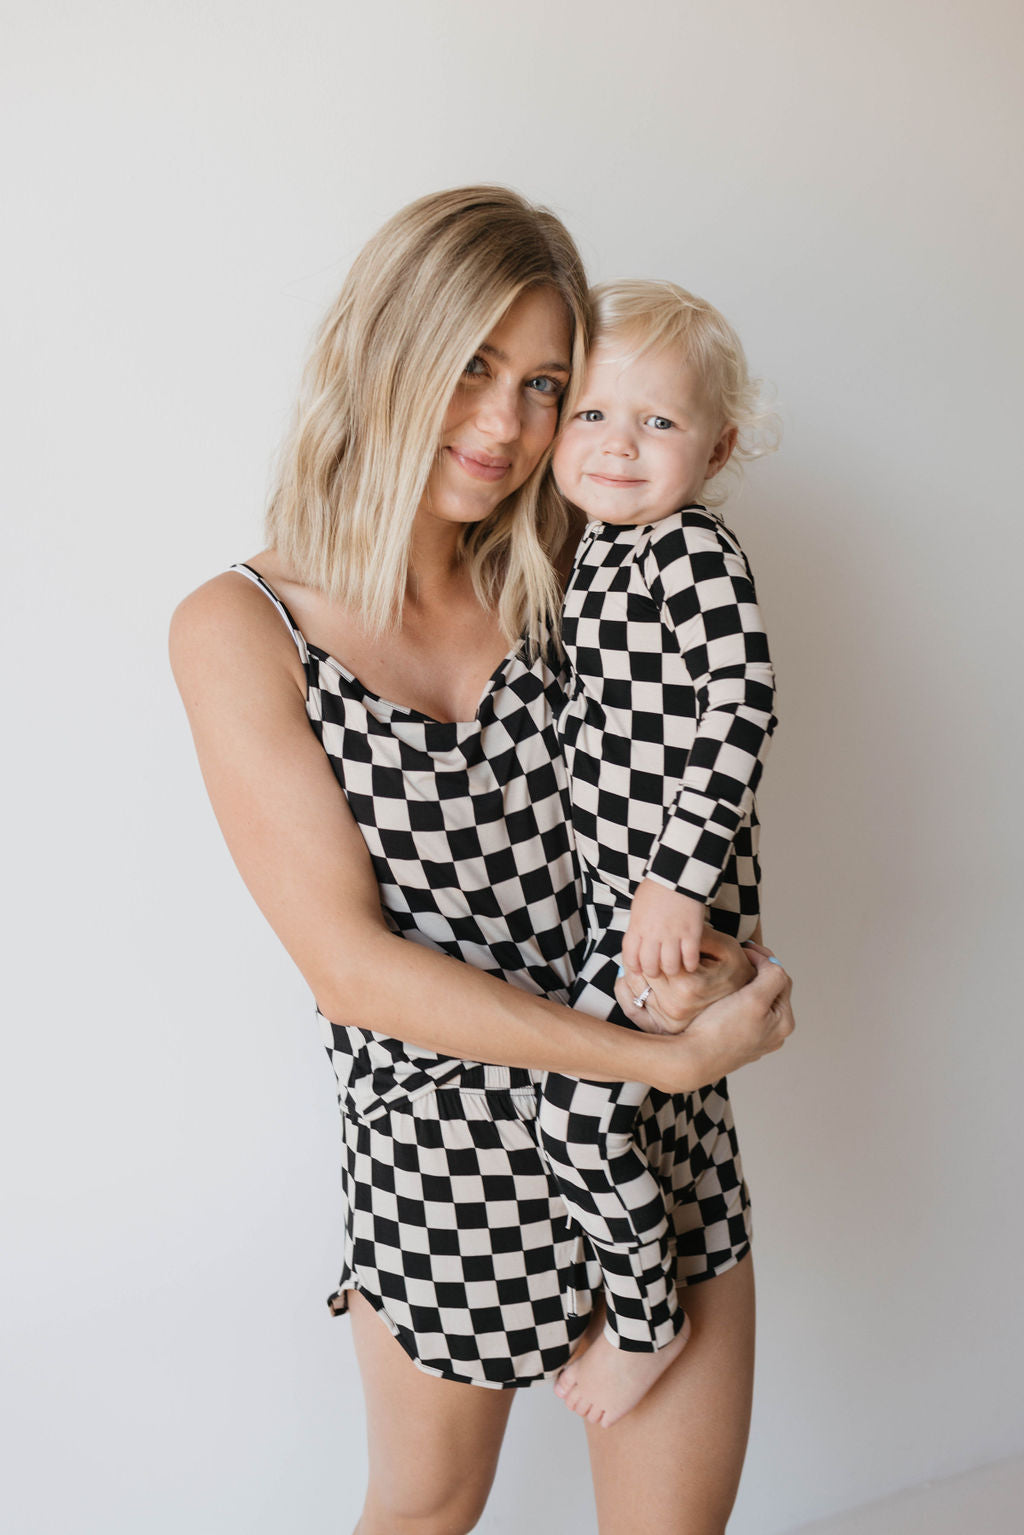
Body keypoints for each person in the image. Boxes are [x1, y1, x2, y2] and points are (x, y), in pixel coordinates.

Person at [169, 187, 793, 1535]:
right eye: (472, 368)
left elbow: (697, 790)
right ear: (381, 352)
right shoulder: (241, 625)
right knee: (426, 1507)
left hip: (654, 1145)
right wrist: (658, 1053)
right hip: (451, 1171)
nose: (509, 427)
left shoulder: (585, 554)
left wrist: (718, 966)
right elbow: (353, 969)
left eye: (547, 385)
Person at [537, 279, 781, 1430]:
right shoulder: (595, 554)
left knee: (579, 1117)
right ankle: (642, 1290)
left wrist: (678, 882)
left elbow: (740, 703)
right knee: (616, 1112)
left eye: (659, 421)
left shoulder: (689, 547)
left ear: (719, 444)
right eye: (589, 414)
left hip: (673, 899)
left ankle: (646, 1320)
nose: (618, 446)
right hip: (623, 898)